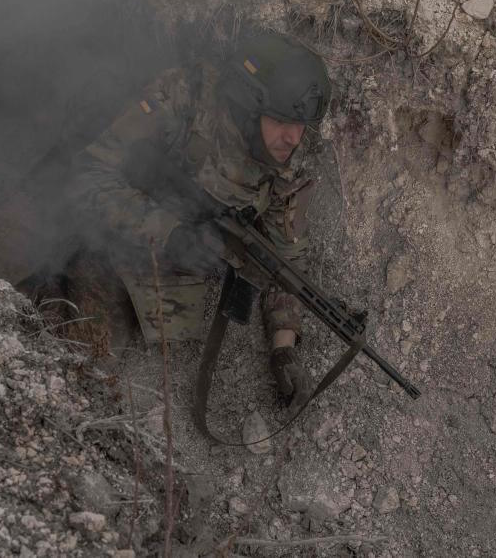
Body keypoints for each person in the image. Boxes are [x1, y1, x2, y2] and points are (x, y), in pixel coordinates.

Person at [64, 33, 332, 406]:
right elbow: (87, 176)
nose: (294, 138)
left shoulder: (285, 165)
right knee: (82, 374)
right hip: (110, 246)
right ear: (248, 104)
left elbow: (285, 263)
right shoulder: (181, 99)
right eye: (282, 121)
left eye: (302, 125)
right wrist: (169, 232)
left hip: (171, 281)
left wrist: (283, 347)